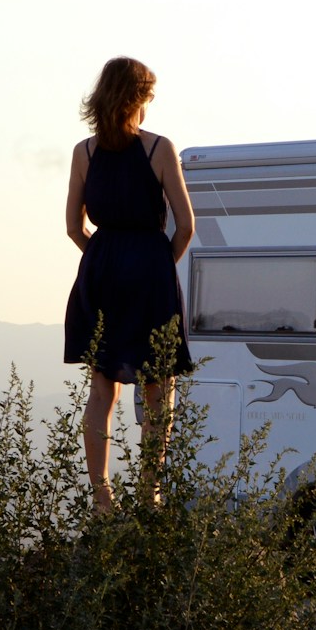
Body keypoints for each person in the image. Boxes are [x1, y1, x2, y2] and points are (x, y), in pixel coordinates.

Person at [64, 57, 195, 512]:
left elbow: (72, 227)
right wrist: (156, 265)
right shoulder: (159, 149)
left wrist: (104, 261)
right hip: (150, 270)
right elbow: (185, 226)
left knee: (102, 389)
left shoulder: (84, 152)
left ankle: (102, 497)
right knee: (159, 388)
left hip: (101, 270)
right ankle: (149, 492)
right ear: (137, 98)